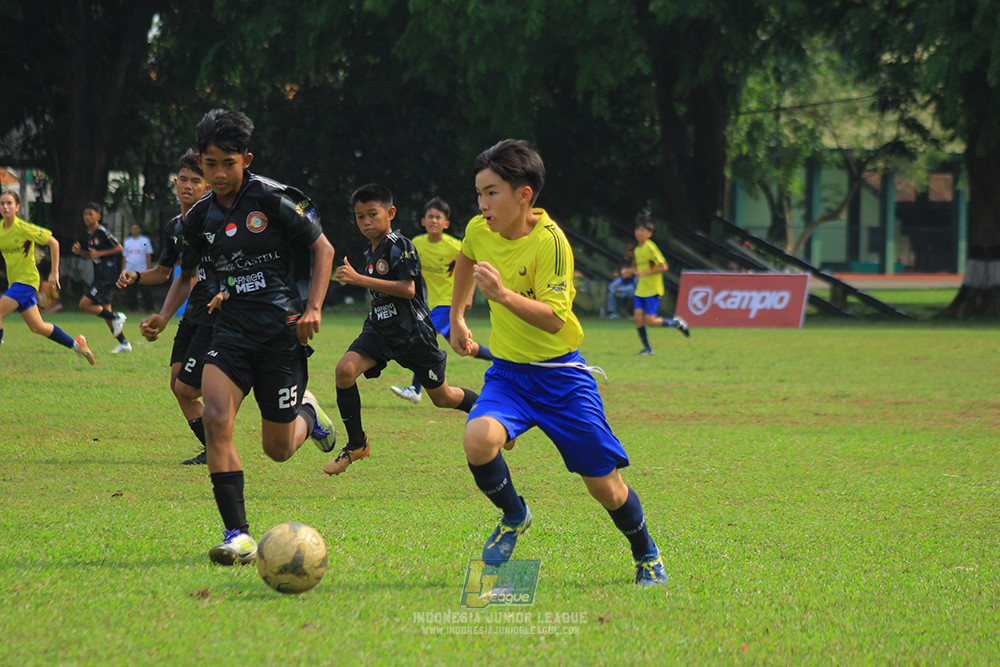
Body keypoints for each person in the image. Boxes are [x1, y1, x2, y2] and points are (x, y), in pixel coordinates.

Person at [449, 139, 667, 586]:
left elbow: (553, 321)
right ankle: (515, 514)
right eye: (479, 193)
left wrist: (502, 296)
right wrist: (457, 316)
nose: (482, 203)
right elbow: (467, 258)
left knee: (604, 487)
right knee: (477, 439)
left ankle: (646, 551)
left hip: (562, 377)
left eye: (492, 192)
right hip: (509, 375)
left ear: (524, 194)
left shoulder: (552, 244)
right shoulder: (478, 229)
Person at [139, 109, 336, 565]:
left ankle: (309, 411)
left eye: (229, 163)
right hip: (229, 334)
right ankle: (238, 535)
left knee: (279, 449)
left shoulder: (273, 199)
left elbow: (322, 248)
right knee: (214, 417)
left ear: (245, 159)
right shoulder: (199, 218)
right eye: (211, 164)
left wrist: (313, 308)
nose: (221, 173)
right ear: (201, 164)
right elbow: (185, 274)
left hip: (280, 336)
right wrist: (165, 317)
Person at [326, 183, 479, 476]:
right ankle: (357, 444)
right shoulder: (370, 250)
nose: (366, 222)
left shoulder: (400, 244)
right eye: (360, 217)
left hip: (413, 334)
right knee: (344, 371)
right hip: (379, 330)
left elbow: (407, 290)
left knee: (442, 397)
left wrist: (359, 279)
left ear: (390, 213)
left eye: (373, 214)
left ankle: (494, 416)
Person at [117, 149, 214, 465]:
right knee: (177, 384)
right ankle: (213, 447)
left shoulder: (214, 219)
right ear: (175, 183)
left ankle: (221, 441)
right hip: (193, 311)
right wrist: (136, 278)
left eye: (195, 181)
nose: (188, 186)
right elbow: (168, 273)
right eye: (183, 180)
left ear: (207, 185)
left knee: (188, 387)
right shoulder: (175, 226)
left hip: (217, 312)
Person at [389, 196, 492, 404]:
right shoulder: (416, 243)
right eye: (430, 217)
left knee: (422, 342)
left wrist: (469, 295)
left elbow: (475, 265)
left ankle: (414, 389)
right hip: (433, 305)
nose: (434, 220)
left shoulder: (454, 246)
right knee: (462, 346)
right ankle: (503, 359)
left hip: (449, 304)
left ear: (446, 224)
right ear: (423, 221)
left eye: (438, 217)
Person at [0, 191, 94, 364]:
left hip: (27, 281)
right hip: (15, 283)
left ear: (17, 207)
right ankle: (78, 346)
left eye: (9, 203)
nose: (5, 207)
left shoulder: (24, 228)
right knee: (37, 327)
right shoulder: (0, 230)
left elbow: (54, 243)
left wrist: (54, 271)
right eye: (2, 203)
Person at [622, 214, 689, 355]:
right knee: (638, 319)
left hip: (652, 290)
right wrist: (630, 271)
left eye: (643, 230)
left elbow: (664, 266)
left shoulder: (650, 247)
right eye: (637, 229)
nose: (639, 232)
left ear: (649, 234)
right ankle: (648, 349)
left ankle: (677, 323)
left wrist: (644, 274)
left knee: (651, 321)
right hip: (641, 290)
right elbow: (642, 268)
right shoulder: (637, 249)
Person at [72, 202, 131, 353]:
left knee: (84, 304)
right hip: (100, 274)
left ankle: (116, 316)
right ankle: (124, 343)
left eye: (90, 214)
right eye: (85, 214)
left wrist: (100, 253)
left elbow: (119, 247)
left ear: (98, 216)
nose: (87, 217)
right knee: (105, 312)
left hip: (107, 274)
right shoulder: (89, 234)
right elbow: (93, 255)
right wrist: (81, 253)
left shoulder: (102, 231)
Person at [122, 223, 155, 313]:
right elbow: (124, 257)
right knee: (131, 292)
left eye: (136, 228)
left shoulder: (145, 241)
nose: (135, 230)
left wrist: (149, 270)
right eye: (133, 228)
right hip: (130, 270)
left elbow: (148, 255)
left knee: (146, 291)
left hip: (142, 271)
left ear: (139, 230)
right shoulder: (127, 242)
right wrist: (123, 270)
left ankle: (150, 309)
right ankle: (134, 309)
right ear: (130, 230)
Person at [604, 244, 636, 319]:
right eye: (629, 251)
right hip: (623, 284)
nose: (630, 252)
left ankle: (632, 314)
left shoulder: (637, 261)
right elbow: (616, 277)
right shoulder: (622, 261)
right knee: (611, 294)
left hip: (632, 285)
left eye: (632, 251)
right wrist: (615, 291)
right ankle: (613, 313)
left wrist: (619, 290)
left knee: (635, 292)